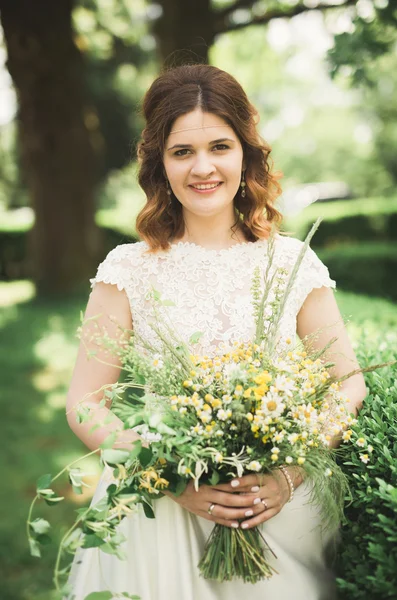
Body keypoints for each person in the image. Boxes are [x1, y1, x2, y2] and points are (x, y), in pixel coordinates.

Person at [65, 64, 367, 600]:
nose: (203, 167)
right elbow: (86, 404)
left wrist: (288, 477)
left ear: (246, 154)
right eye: (182, 152)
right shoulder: (127, 269)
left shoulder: (293, 263)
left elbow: (348, 384)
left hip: (277, 517)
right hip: (159, 517)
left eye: (220, 147)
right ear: (159, 162)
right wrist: (170, 478)